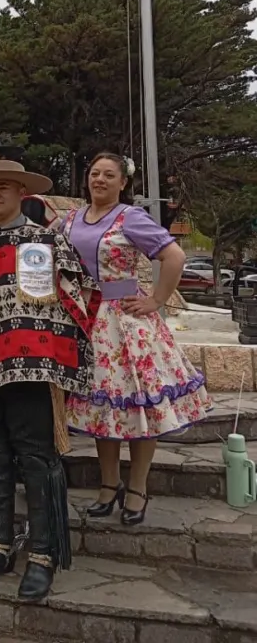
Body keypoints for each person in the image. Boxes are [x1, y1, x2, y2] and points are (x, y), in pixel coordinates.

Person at [0, 160, 97, 601]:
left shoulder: (47, 239)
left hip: (34, 366)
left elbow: (76, 293)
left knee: (35, 457)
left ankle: (44, 553)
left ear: (21, 193)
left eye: (3, 188)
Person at [62, 152, 210, 525]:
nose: (99, 180)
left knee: (139, 404)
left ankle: (138, 486)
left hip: (125, 323)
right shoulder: (68, 220)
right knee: (103, 407)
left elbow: (173, 256)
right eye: (94, 173)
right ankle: (109, 484)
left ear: (123, 183)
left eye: (108, 175)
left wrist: (157, 299)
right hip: (85, 321)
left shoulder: (131, 218)